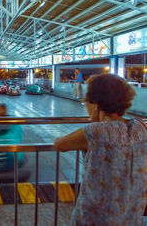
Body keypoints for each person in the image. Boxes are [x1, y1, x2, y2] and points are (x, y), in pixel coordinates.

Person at [54, 74, 147, 225]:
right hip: (131, 214)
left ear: (96, 104)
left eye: (86, 101)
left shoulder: (95, 132)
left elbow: (60, 145)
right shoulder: (142, 127)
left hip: (96, 217)